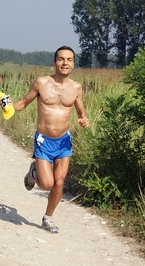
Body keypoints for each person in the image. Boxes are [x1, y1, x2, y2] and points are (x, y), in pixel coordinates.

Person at [11, 46, 90, 233]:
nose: (65, 63)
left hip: (63, 141)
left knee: (59, 183)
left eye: (69, 60)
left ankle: (48, 218)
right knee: (47, 184)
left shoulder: (76, 88)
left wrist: (83, 119)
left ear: (73, 64)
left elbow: (81, 112)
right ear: (54, 62)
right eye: (61, 59)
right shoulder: (42, 83)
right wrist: (8, 105)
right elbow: (22, 103)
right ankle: (35, 173)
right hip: (44, 141)